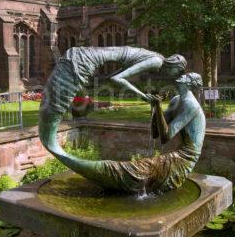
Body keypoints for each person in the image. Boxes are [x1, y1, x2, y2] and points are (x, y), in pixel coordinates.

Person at [52, 72, 206, 193]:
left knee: (136, 170)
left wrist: (158, 107)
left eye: (187, 76)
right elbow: (155, 133)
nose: (182, 76)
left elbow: (166, 137)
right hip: (178, 153)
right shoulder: (176, 100)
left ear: (191, 84)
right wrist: (154, 106)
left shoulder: (191, 105)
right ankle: (108, 174)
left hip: (187, 157)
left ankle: (109, 172)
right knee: (140, 169)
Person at [39, 46, 186, 155]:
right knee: (53, 110)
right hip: (81, 62)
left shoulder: (155, 57)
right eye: (178, 72)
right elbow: (118, 78)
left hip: (80, 57)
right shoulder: (157, 61)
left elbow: (113, 77)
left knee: (53, 110)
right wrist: (143, 96)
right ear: (175, 65)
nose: (174, 76)